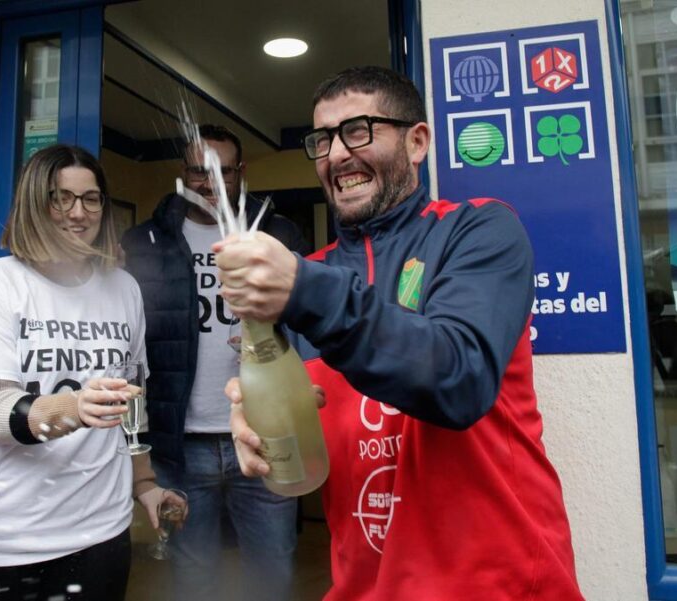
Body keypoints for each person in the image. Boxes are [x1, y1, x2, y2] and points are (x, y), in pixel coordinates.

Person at [219, 66, 584, 600]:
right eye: (322, 140)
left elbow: (458, 378)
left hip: (501, 585)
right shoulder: (308, 280)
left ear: (417, 142)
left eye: (359, 130)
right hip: (367, 587)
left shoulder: (477, 229)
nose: (337, 154)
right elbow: (302, 415)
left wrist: (303, 290)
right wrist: (251, 415)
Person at [0, 144, 184, 601]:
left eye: (91, 199)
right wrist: (75, 407)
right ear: (35, 203)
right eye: (60, 198)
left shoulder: (123, 288)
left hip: (101, 531)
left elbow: (134, 405)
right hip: (12, 538)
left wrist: (144, 482)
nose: (78, 212)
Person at [120, 124, 310, 599]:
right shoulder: (144, 243)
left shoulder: (276, 236)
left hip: (265, 437)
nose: (210, 184)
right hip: (181, 447)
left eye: (222, 172)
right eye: (197, 173)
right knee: (193, 574)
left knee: (272, 569)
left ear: (241, 173)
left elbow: (309, 327)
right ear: (182, 175)